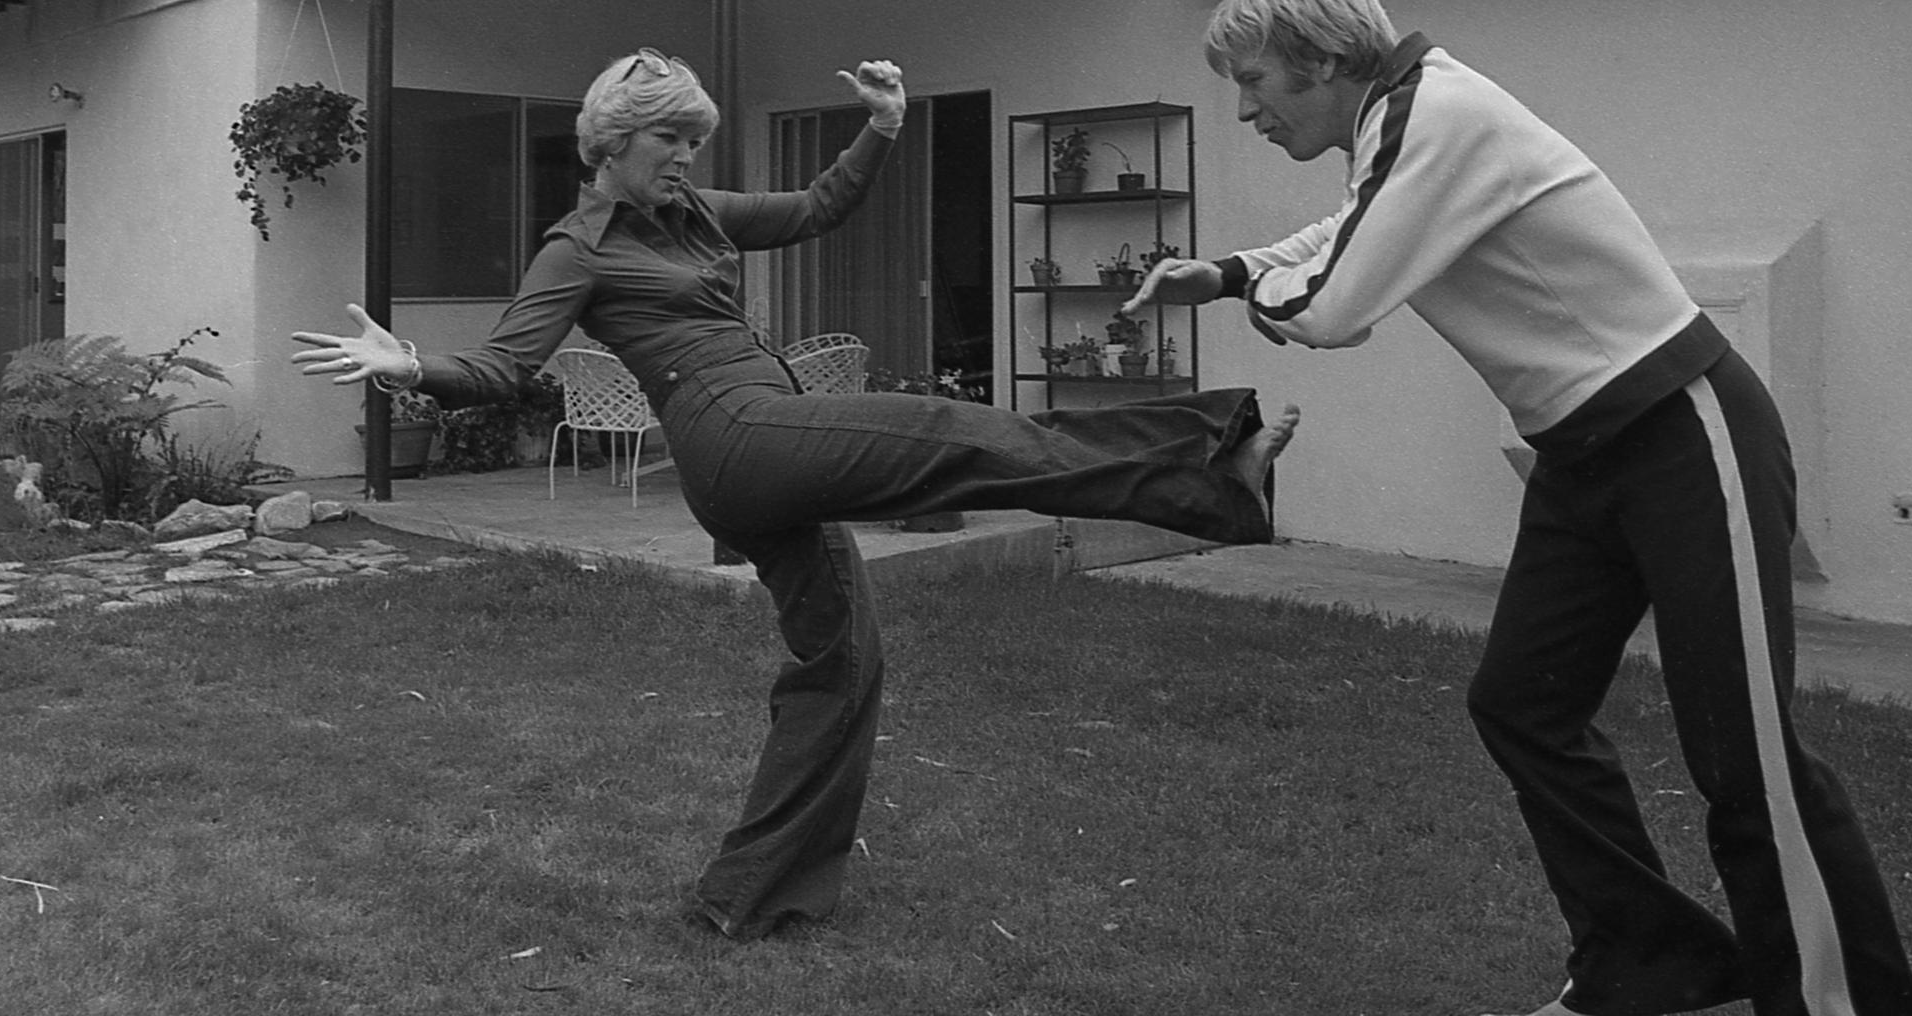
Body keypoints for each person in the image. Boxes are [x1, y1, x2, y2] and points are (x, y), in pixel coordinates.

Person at [292, 47, 1298, 943]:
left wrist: (883, 126)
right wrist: (411, 364)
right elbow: (507, 365)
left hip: (766, 435)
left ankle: (751, 895)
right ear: (611, 141)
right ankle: (1215, 463)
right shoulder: (578, 246)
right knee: (956, 433)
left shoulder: (694, 214)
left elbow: (818, 207)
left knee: (844, 663)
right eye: (668, 138)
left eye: (694, 139)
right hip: (733, 438)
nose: (685, 156)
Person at [1125, 0, 1912, 1016]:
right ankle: (1650, 960)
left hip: (1685, 432)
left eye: (1253, 80)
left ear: (1319, 58)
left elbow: (1334, 303)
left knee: (1747, 760)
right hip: (1583, 456)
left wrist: (1260, 294)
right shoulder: (1396, 124)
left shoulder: (1436, 113)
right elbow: (1354, 227)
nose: (1243, 110)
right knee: (1523, 704)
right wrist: (1229, 272)